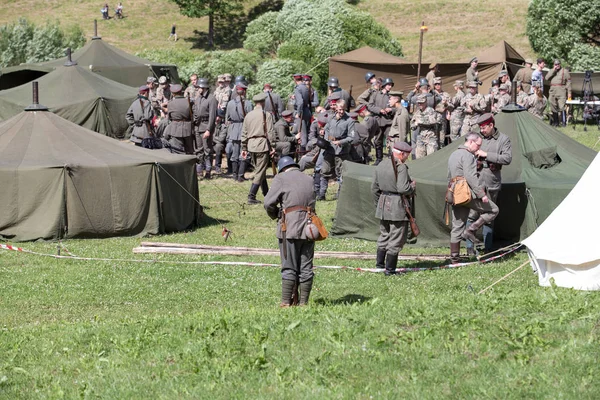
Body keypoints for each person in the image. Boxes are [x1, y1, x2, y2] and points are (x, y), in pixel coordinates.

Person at [264, 156, 317, 307]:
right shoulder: (309, 178)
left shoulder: (281, 178)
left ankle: (286, 303)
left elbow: (268, 203)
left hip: (289, 226)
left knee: (289, 267)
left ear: (282, 168)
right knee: (306, 267)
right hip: (309, 227)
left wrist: (275, 215)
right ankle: (303, 304)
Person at [448, 133, 499, 263]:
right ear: (471, 142)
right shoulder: (468, 155)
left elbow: (449, 175)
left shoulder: (453, 154)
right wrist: (482, 195)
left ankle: (454, 260)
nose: (478, 148)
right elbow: (471, 177)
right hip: (467, 193)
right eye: (478, 145)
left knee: (457, 226)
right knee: (494, 210)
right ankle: (471, 230)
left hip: (455, 194)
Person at [465, 113, 511, 255]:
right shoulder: (477, 139)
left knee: (490, 215)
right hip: (477, 181)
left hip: (492, 181)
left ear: (491, 125)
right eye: (480, 128)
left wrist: (487, 155)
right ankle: (469, 248)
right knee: (472, 214)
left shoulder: (503, 139)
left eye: (484, 128)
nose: (482, 131)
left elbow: (507, 158)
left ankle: (488, 248)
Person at [371, 140, 416, 275]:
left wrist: (379, 204)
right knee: (396, 237)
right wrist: (412, 187)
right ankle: (390, 270)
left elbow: (374, 188)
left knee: (384, 235)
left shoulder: (381, 164)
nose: (407, 157)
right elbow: (403, 188)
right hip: (397, 205)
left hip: (383, 203)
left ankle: (380, 265)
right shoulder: (400, 167)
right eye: (407, 155)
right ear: (401, 154)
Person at [241, 93, 276, 204]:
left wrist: (244, 147)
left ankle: (267, 194)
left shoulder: (248, 115)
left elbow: (244, 133)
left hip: (251, 145)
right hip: (262, 145)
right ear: (263, 102)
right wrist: (273, 146)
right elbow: (270, 132)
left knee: (260, 170)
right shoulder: (266, 115)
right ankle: (251, 196)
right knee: (260, 171)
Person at [320, 99, 355, 200]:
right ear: (336, 108)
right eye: (340, 109)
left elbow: (351, 137)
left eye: (343, 109)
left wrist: (340, 142)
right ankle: (321, 194)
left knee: (341, 174)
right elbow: (326, 128)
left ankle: (340, 195)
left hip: (341, 151)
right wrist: (324, 134)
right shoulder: (331, 118)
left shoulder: (349, 121)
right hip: (329, 149)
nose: (341, 111)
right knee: (325, 171)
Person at [225, 82, 253, 182]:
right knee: (244, 153)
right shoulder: (248, 103)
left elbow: (227, 118)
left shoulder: (230, 103)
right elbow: (250, 118)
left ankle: (234, 174)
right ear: (244, 91)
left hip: (233, 129)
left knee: (234, 154)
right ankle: (240, 175)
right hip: (244, 129)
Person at [193, 78, 218, 179]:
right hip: (197, 126)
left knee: (207, 150)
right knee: (199, 150)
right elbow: (195, 111)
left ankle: (208, 171)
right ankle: (199, 171)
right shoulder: (198, 98)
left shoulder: (211, 99)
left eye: (199, 86)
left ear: (204, 87)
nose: (198, 88)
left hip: (206, 126)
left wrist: (208, 130)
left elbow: (212, 116)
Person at [367, 77, 395, 165]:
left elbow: (396, 107)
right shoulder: (375, 95)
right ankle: (379, 159)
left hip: (388, 122)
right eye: (388, 85)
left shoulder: (392, 96)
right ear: (384, 85)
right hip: (378, 121)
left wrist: (391, 110)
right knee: (377, 141)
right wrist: (379, 110)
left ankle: (392, 159)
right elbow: (370, 106)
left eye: (391, 85)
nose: (390, 87)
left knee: (390, 140)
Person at [164, 84, 194, 155]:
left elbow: (170, 117)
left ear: (173, 93)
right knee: (189, 151)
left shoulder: (170, 103)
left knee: (177, 151)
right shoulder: (189, 102)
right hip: (188, 129)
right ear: (181, 92)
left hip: (175, 129)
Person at [410, 94, 438, 158]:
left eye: (421, 103)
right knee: (420, 158)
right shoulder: (417, 112)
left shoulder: (431, 110)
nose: (420, 105)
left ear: (425, 102)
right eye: (419, 103)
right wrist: (415, 124)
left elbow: (433, 121)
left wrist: (420, 121)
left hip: (430, 137)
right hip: (421, 137)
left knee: (431, 157)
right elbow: (412, 125)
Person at [546, 59, 572, 127]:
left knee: (562, 106)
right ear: (553, 65)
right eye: (555, 64)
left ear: (560, 64)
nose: (557, 66)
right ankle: (556, 122)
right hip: (552, 90)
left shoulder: (565, 71)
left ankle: (563, 123)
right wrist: (553, 70)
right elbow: (546, 78)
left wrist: (569, 92)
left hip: (561, 90)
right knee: (552, 105)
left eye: (558, 64)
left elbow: (568, 82)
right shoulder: (551, 71)